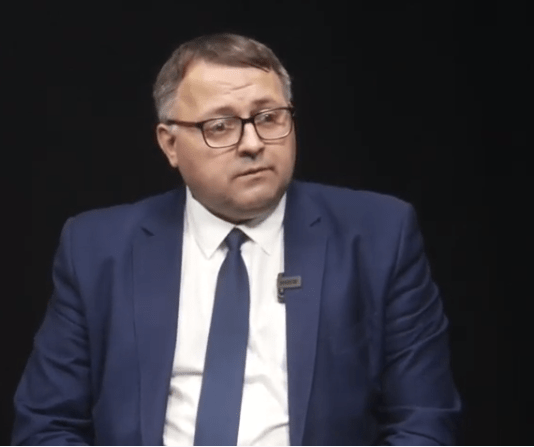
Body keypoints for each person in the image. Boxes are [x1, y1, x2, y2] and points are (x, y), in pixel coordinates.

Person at [13, 33, 461, 445]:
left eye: (268, 117)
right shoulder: (97, 249)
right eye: (221, 126)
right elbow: (46, 425)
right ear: (170, 144)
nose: (252, 143)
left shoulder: (379, 236)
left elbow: (425, 421)